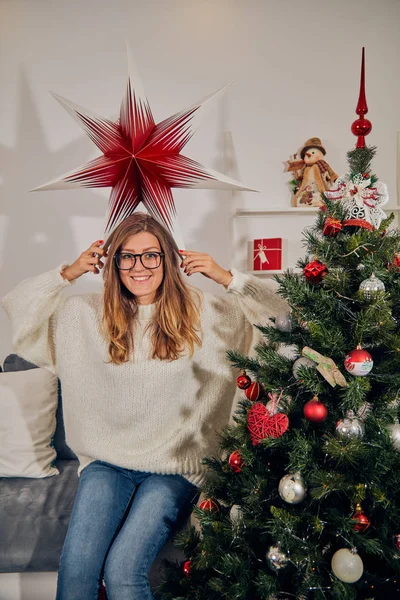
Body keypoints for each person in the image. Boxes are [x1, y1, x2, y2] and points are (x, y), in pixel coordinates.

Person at [2, 212, 288, 600]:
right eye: (127, 256)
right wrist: (65, 274)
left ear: (169, 260)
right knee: (76, 571)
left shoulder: (208, 314)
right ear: (112, 263)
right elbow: (17, 309)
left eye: (151, 255)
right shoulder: (81, 316)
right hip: (107, 463)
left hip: (175, 468)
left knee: (123, 571)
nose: (139, 266)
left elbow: (285, 320)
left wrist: (228, 278)